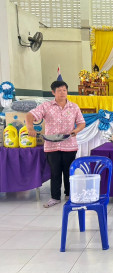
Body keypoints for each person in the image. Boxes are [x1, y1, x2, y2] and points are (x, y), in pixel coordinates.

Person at [26, 80, 85, 208]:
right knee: (55, 172)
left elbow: (81, 123)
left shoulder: (74, 107)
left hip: (69, 144)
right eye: (59, 90)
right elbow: (30, 115)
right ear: (53, 92)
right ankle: (55, 197)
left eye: (64, 90)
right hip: (51, 146)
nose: (62, 93)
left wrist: (76, 130)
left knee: (69, 171)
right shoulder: (46, 106)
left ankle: (70, 195)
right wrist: (30, 127)